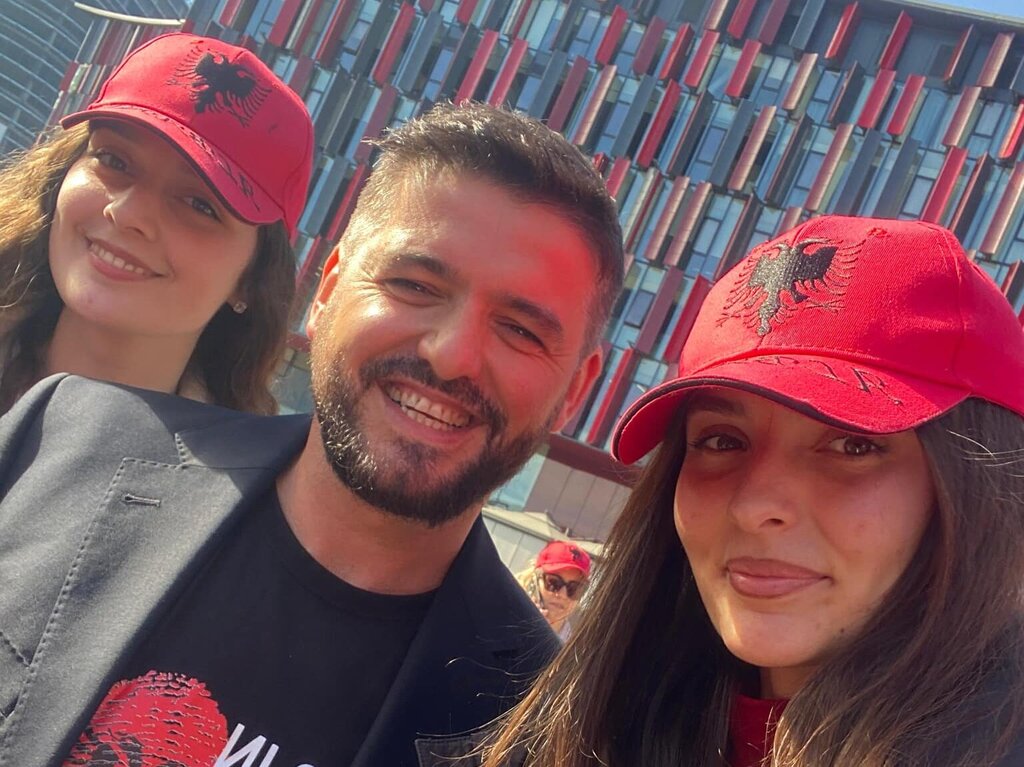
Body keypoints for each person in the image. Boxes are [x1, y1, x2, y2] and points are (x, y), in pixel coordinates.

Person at [0, 101, 624, 767]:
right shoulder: (64, 441)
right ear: (326, 293)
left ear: (574, 391)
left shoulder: (549, 734)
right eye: (415, 285)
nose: (451, 355)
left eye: (520, 330)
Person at [482, 215, 1024, 767]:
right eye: (721, 441)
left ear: (978, 489)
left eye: (853, 445)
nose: (753, 505)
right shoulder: (580, 727)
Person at [0, 32, 313, 414]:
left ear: (250, 278)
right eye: (113, 160)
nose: (128, 213)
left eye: (199, 204)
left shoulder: (252, 455)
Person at [516, 541, 591, 641]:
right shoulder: (507, 618)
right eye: (553, 583)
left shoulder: (577, 645)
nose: (563, 595)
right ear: (536, 580)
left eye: (573, 589)